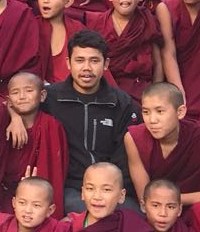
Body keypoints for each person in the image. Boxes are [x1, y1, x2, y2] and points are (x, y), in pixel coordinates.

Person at [43, 29, 139, 212]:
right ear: (68, 63)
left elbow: (127, 157)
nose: (87, 67)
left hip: (110, 187)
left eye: (94, 61)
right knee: (80, 210)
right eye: (79, 60)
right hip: (71, 187)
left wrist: (109, 190)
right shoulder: (49, 99)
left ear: (106, 64)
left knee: (134, 216)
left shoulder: (121, 103)